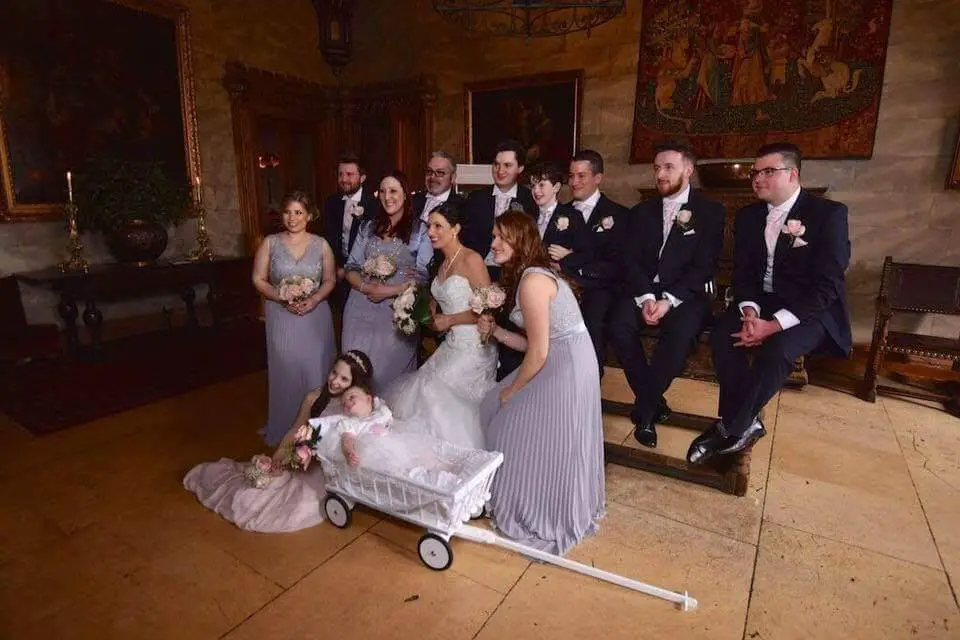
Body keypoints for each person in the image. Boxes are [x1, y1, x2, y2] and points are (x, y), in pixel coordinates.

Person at [687, 142, 852, 464]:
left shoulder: (828, 215)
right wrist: (750, 312)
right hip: (761, 302)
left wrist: (774, 325)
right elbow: (744, 274)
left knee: (777, 351)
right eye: (754, 172)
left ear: (792, 174)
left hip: (812, 309)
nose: (757, 178)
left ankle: (729, 429)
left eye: (767, 172)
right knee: (724, 336)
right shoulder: (749, 217)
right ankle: (746, 422)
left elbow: (827, 286)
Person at [477, 211, 605, 556]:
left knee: (504, 418)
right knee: (491, 405)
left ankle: (532, 505)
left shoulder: (533, 281)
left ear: (522, 241)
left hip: (566, 367)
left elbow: (538, 351)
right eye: (493, 236)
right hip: (560, 357)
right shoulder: (529, 276)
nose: (494, 244)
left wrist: (512, 391)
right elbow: (535, 343)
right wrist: (498, 332)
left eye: (502, 237)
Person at [609, 140, 726, 448]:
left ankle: (645, 410)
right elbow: (630, 260)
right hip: (643, 290)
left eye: (668, 167)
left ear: (688, 169)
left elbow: (704, 266)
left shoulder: (710, 212)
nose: (660, 174)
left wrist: (668, 300)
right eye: (657, 168)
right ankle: (654, 402)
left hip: (685, 293)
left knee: (681, 333)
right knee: (618, 324)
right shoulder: (641, 212)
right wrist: (647, 296)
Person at [183, 351, 374, 533]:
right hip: (305, 458)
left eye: (344, 379)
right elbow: (295, 430)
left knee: (298, 504)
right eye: (334, 373)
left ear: (354, 384)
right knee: (259, 490)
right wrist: (279, 458)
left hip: (330, 466)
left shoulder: (354, 407)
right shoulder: (314, 397)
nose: (334, 381)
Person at [383, 201, 498, 450]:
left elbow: (488, 310)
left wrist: (450, 320)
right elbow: (438, 297)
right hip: (451, 344)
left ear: (455, 229)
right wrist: (424, 312)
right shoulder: (442, 262)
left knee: (433, 391)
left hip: (475, 345)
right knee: (419, 386)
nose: (431, 232)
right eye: (429, 226)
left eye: (438, 226)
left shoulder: (471, 259)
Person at [251, 190, 337, 446]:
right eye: (288, 212)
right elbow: (258, 278)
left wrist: (314, 299)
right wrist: (280, 296)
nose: (292, 217)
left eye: (298, 212)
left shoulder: (321, 244)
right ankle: (286, 427)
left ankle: (318, 432)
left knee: (315, 370)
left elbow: (330, 279)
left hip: (315, 316)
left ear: (309, 215)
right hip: (281, 316)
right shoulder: (270, 242)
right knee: (286, 370)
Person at [341, 170, 433, 393]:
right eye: (382, 191)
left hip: (396, 311)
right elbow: (351, 267)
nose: (387, 196)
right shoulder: (368, 227)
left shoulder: (420, 231)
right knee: (355, 372)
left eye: (393, 191)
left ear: (405, 194)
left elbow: (422, 276)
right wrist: (367, 287)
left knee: (387, 375)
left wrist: (388, 290)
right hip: (359, 308)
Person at [461, 138, 537, 382]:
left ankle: (508, 378)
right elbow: (467, 242)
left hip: (515, 275)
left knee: (511, 326)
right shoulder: (476, 199)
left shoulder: (530, 200)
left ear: (520, 168)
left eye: (507, 165)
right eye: (496, 165)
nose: (500, 171)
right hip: (479, 272)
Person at [554, 150, 628, 375]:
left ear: (598, 178)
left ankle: (591, 384)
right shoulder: (559, 213)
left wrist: (571, 261)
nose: (574, 182)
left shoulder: (620, 215)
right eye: (571, 175)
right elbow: (551, 254)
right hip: (563, 287)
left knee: (592, 323)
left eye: (581, 176)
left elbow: (617, 264)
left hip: (601, 289)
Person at [323, 154, 379, 312]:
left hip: (364, 274)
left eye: (349, 174)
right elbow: (328, 238)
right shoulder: (331, 202)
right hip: (337, 275)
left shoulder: (374, 205)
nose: (343, 179)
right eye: (340, 174)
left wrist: (352, 270)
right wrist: (334, 268)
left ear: (362, 178)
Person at [411, 151, 467, 223]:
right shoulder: (413, 200)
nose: (432, 177)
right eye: (429, 171)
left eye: (440, 172)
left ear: (453, 178)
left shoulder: (462, 208)